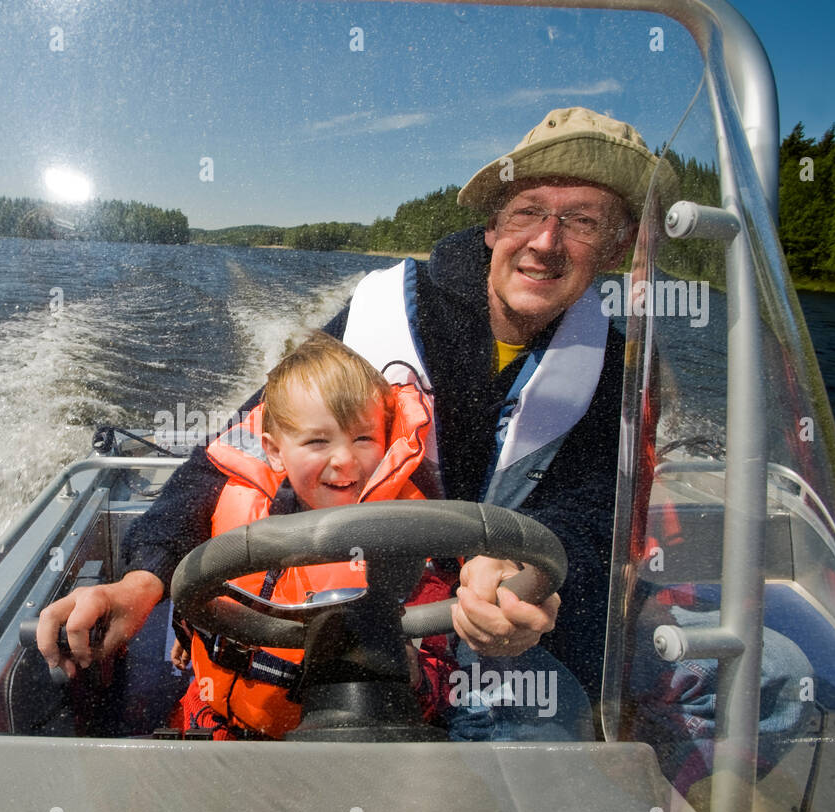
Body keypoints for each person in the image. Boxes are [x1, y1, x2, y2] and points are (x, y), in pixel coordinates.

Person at [38, 106, 660, 705]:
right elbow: (238, 449)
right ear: (494, 226)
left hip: (498, 629)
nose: (546, 242)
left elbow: (599, 520)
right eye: (528, 212)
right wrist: (143, 577)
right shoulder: (383, 314)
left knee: (568, 718)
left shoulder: (616, 372)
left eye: (581, 222)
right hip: (355, 601)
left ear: (617, 246)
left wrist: (531, 580)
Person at [167, 331, 441, 739]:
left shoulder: (407, 543)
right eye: (318, 441)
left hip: (341, 744)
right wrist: (195, 631)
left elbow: (441, 672)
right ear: (275, 451)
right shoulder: (239, 504)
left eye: (363, 438)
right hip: (213, 722)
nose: (344, 459)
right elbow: (206, 586)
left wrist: (416, 674)